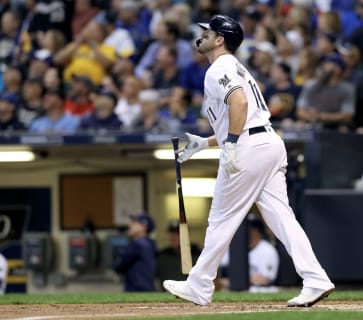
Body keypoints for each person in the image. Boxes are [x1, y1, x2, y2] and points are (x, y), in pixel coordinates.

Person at [163, 14, 334, 307]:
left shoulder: (221, 66)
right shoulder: (233, 67)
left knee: (221, 218)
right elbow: (245, 117)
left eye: (208, 32)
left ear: (220, 40)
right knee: (282, 218)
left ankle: (200, 284)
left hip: (249, 147)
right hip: (266, 142)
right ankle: (316, 278)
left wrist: (229, 144)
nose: (202, 35)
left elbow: (239, 103)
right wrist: (206, 142)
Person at [220, 214, 279, 292]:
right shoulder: (232, 248)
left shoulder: (268, 250)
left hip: (259, 290)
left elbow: (265, 279)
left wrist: (233, 280)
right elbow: (220, 274)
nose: (246, 231)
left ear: (257, 231)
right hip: (232, 289)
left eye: (250, 228)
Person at [113, 212, 157, 292]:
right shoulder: (150, 243)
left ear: (144, 227)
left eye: (134, 223)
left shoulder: (138, 244)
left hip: (136, 289)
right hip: (148, 288)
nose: (130, 225)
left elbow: (119, 266)